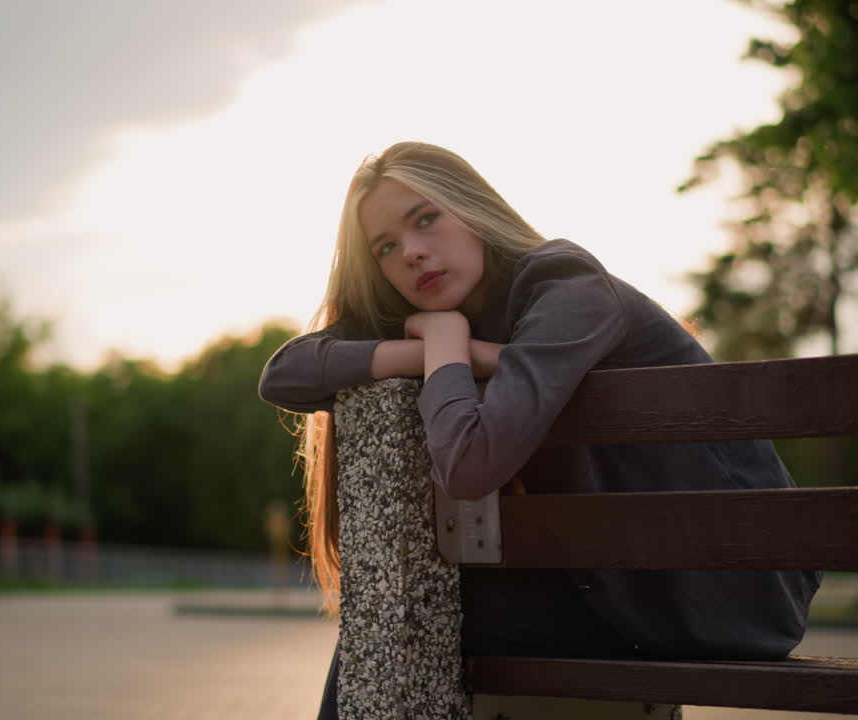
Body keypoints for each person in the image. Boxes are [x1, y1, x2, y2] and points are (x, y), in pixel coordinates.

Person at [258, 141, 821, 718]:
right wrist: (427, 350)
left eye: (426, 219)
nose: (413, 253)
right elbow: (284, 374)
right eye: (387, 247)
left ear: (472, 209)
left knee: (396, 613)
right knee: (393, 612)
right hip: (640, 585)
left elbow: (470, 463)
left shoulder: (566, 286)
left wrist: (447, 348)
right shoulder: (462, 313)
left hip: (728, 594)